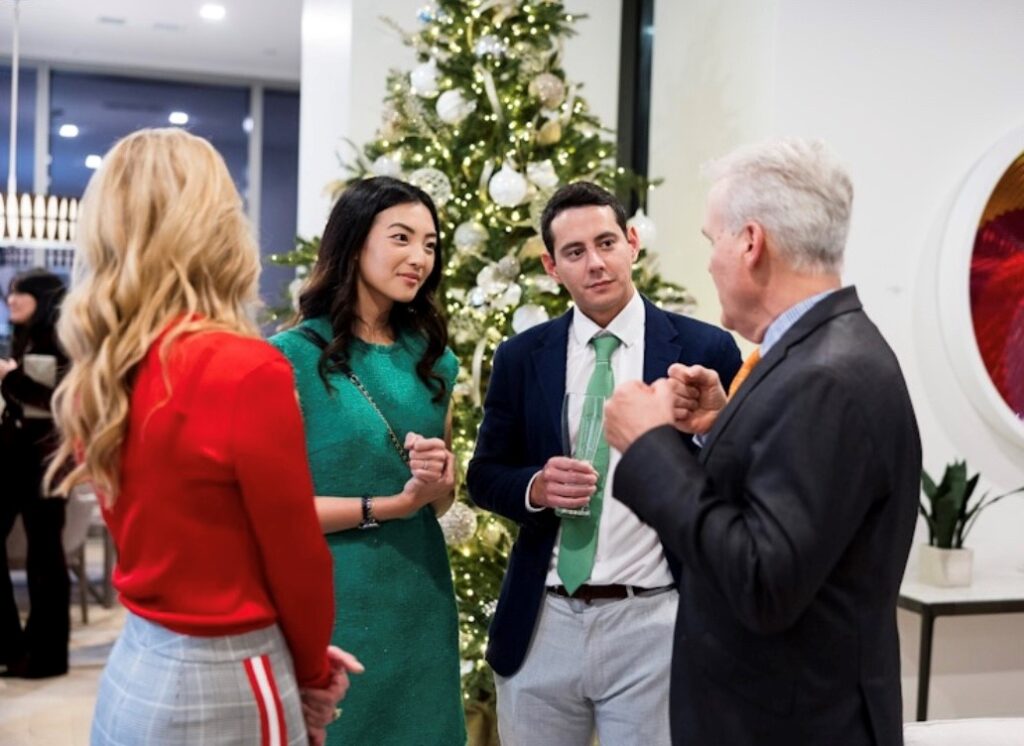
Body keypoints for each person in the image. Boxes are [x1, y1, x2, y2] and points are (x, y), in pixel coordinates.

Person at [46, 128, 360, 746]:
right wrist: (312, 674)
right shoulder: (244, 367)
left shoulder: (100, 372)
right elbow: (296, 557)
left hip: (136, 664)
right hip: (228, 674)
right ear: (215, 226)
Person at [604, 138, 921, 746]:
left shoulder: (824, 375)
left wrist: (649, 446)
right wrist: (726, 423)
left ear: (750, 243)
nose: (709, 264)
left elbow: (763, 580)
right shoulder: (825, 350)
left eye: (711, 241)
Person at [466, 181, 741, 745]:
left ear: (632, 243)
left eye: (606, 243)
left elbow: (739, 478)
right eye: (574, 252)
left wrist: (707, 431)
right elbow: (485, 475)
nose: (595, 263)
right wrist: (535, 487)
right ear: (551, 267)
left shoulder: (705, 351)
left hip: (655, 623)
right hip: (542, 624)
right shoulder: (520, 357)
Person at [270, 176, 466, 746]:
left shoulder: (435, 361)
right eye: (401, 238)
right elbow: (274, 512)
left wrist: (441, 480)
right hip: (331, 599)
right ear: (354, 243)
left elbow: (440, 501)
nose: (419, 258)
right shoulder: (287, 359)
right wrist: (389, 505)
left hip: (421, 597)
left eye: (430, 244)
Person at [0, 269, 70, 679]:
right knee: (45, 556)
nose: (11, 299)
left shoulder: (60, 339)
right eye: (9, 293)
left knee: (45, 557)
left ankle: (44, 656)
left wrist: (10, 378)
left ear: (41, 299)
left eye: (20, 293)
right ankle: (16, 648)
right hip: (16, 457)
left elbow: (55, 400)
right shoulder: (23, 336)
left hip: (44, 460)